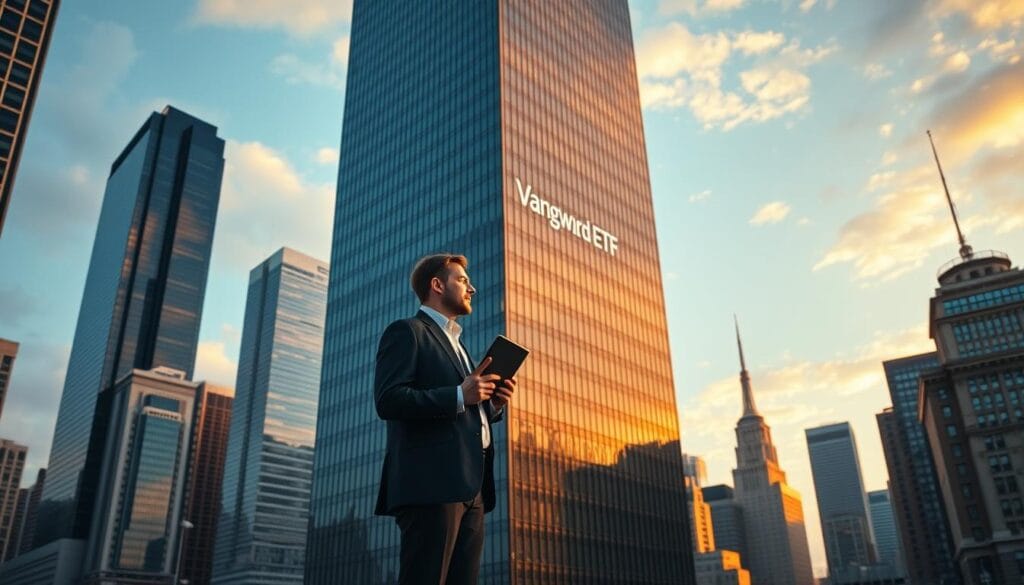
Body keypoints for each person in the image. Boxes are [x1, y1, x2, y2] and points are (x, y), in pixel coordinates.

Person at [374, 253, 517, 585]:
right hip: (431, 483)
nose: (473, 288)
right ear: (437, 285)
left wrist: (491, 405)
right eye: (463, 280)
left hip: (473, 486)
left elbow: (464, 405)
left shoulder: (461, 347)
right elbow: (388, 400)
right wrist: (459, 395)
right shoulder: (407, 332)